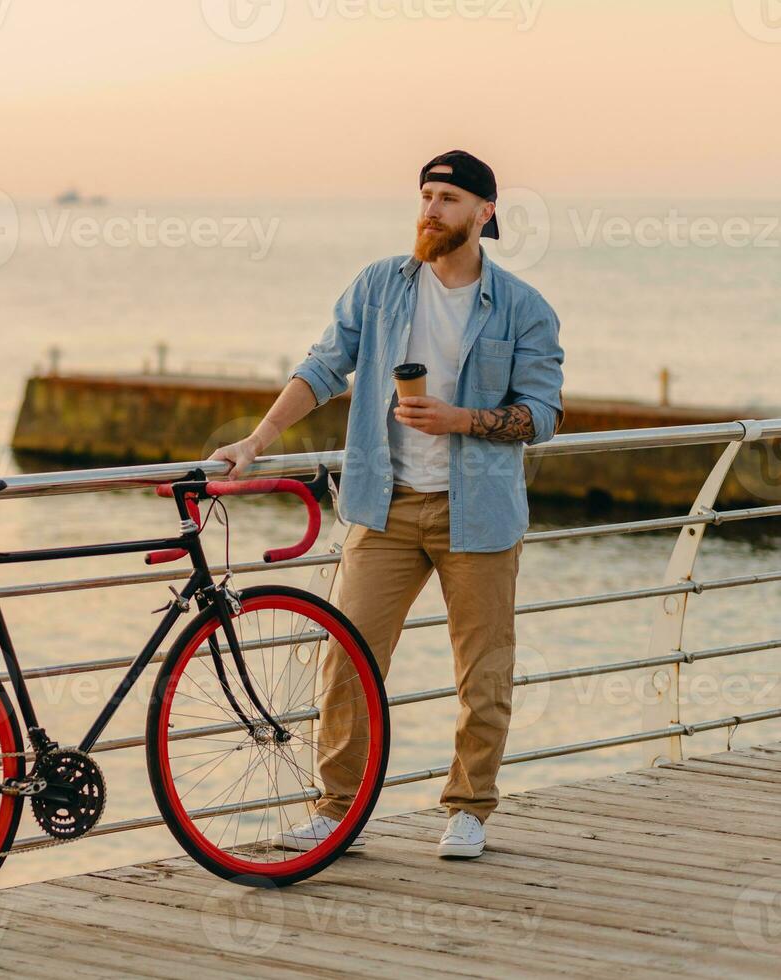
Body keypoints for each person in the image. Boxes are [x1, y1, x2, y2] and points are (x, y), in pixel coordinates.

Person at [211, 150, 565, 859]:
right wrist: (256, 439)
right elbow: (323, 366)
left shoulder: (524, 308)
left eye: (449, 199)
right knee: (347, 660)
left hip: (480, 515)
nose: (431, 210)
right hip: (385, 508)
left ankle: (468, 809)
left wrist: (459, 419)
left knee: (482, 672)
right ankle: (337, 811)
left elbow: (543, 415)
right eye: (427, 195)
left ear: (484, 213)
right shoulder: (379, 286)